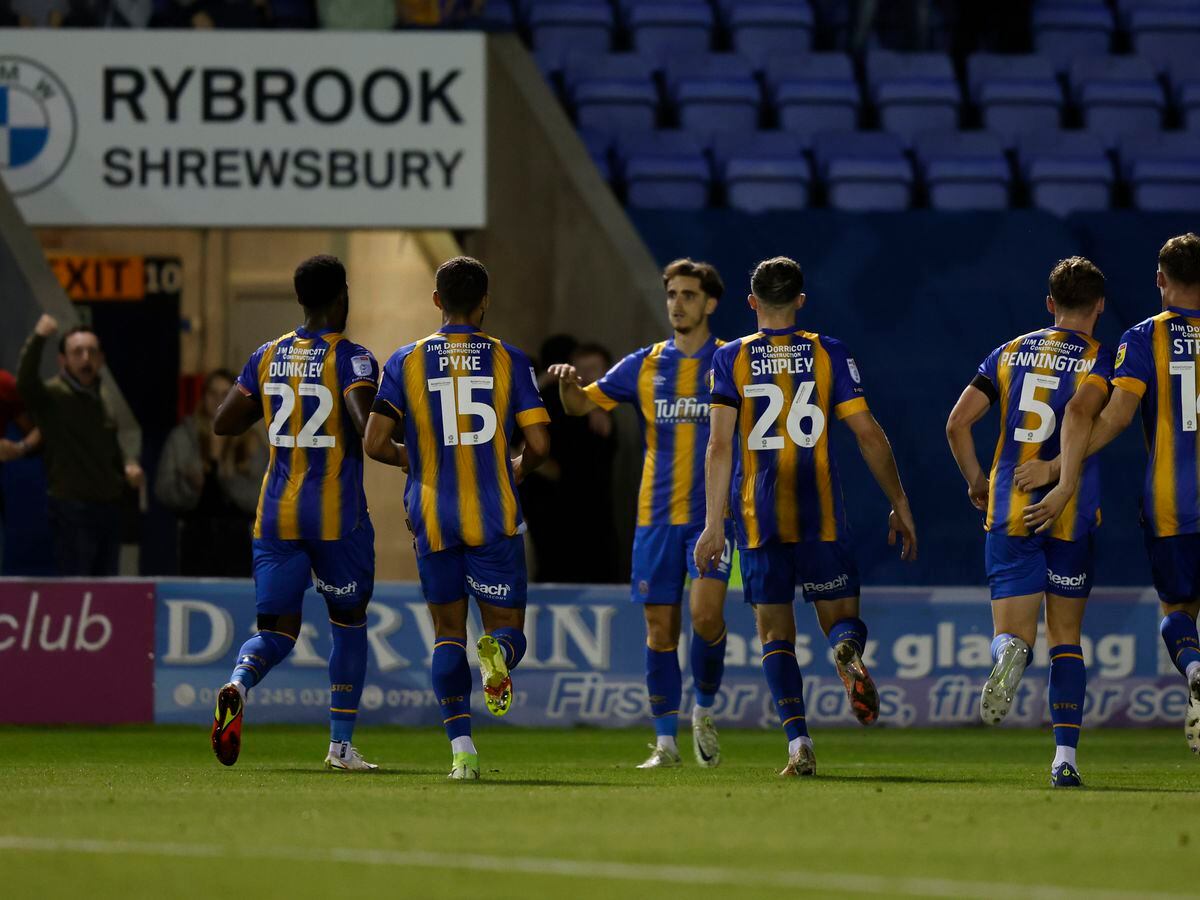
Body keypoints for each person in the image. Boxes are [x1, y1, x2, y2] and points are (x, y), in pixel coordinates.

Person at [694, 256, 918, 777]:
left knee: (775, 636)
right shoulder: (828, 353)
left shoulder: (729, 358)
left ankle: (798, 743)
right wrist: (900, 502)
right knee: (842, 622)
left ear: (751, 302)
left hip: (758, 519)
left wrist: (712, 523)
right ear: (800, 300)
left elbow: (718, 446)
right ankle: (845, 651)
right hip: (821, 515)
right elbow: (867, 433)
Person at [364, 256, 550, 781]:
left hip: (433, 517)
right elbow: (539, 441)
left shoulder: (405, 361)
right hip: (493, 515)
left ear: (436, 301)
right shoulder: (510, 359)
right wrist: (516, 467)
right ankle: (496, 655)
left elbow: (374, 443)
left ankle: (462, 753)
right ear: (485, 300)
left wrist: (418, 458)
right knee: (509, 632)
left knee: (447, 635)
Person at [548, 259, 736, 769]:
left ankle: (705, 708)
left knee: (707, 616)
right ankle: (665, 743)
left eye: (688, 295)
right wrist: (568, 385)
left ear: (710, 303)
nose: (677, 303)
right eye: (672, 294)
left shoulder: (729, 362)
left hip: (710, 519)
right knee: (659, 631)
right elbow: (581, 406)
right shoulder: (644, 364)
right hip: (654, 518)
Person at [1024, 234, 1200, 758]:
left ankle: (1194, 670)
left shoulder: (1144, 337)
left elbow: (1118, 415)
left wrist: (1058, 465)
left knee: (1177, 610)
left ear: (1160, 281)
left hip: (1174, 501)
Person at [207, 255, 381, 772]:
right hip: (336, 518)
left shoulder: (267, 354)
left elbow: (223, 424)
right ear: (340, 297)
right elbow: (365, 426)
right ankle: (340, 747)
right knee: (348, 624)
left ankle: (238, 683)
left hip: (276, 516)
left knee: (277, 631)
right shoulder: (352, 358)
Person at [945, 257, 1110, 788]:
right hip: (1072, 510)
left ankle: (1008, 653)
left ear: (1049, 304)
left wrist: (976, 479)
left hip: (1011, 506)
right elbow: (1094, 422)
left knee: (1011, 633)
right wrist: (1060, 471)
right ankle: (1065, 757)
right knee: (1066, 638)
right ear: (1100, 306)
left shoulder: (1010, 352)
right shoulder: (1102, 360)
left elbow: (957, 423)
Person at [17, 315, 144, 577]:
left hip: (108, 508)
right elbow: (25, 383)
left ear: (101, 359)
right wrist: (39, 337)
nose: (85, 358)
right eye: (77, 352)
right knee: (78, 585)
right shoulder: (53, 396)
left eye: (91, 352)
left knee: (107, 584)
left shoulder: (103, 396)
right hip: (72, 510)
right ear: (63, 360)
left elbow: (111, 444)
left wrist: (128, 464)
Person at [155, 368, 267, 577]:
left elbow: (261, 498)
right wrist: (190, 487)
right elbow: (163, 489)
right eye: (212, 393)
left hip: (237, 540)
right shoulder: (184, 437)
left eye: (226, 394)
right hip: (195, 538)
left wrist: (229, 478)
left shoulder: (251, 442)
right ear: (203, 396)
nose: (218, 399)